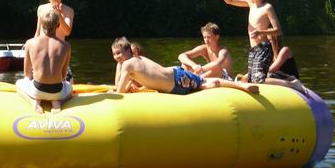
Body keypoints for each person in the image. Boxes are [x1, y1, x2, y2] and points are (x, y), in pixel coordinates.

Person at [110, 37, 258, 95]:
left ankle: (243, 87)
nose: (117, 57)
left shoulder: (128, 64)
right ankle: (241, 86)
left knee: (206, 83)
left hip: (177, 78)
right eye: (114, 54)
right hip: (175, 82)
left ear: (129, 51)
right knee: (205, 85)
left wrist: (114, 91)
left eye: (119, 53)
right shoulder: (137, 59)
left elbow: (120, 90)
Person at [207, 0, 281, 84]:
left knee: (258, 79)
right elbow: (229, 0)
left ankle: (290, 83)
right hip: (253, 49)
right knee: (251, 79)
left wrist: (261, 32)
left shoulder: (267, 7)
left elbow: (277, 30)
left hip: (263, 48)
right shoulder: (250, 3)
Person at [16, 8, 73, 113]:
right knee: (70, 89)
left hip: (37, 89)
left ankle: (33, 101)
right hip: (57, 90)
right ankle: (57, 103)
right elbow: (64, 75)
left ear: (41, 25)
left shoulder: (30, 43)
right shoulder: (66, 46)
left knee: (18, 84)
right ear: (58, 25)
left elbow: (27, 73)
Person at [35, 0, 75, 82]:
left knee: (65, 79)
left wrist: (59, 15)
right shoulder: (42, 8)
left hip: (59, 51)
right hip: (42, 50)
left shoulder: (68, 10)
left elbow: (67, 32)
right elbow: (38, 31)